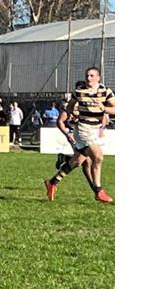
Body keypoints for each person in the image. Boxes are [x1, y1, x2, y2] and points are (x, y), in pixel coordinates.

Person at [46, 67, 116, 203]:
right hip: (83, 129)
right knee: (97, 157)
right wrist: (71, 115)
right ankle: (98, 191)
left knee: (77, 161)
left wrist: (104, 109)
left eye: (92, 75)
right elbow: (69, 108)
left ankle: (52, 182)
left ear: (98, 78)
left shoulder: (106, 92)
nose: (88, 78)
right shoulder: (79, 92)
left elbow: (115, 108)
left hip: (95, 130)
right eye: (87, 76)